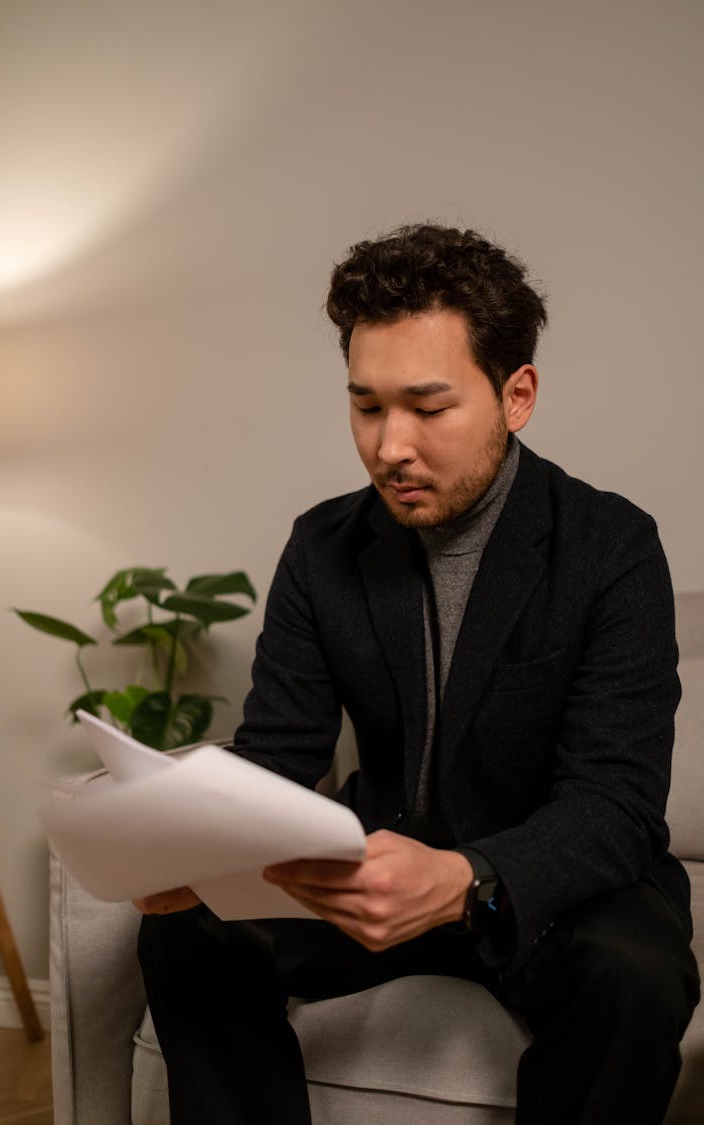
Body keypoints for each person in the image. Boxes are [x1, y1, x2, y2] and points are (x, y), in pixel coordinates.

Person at [136, 223, 700, 1124]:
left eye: (428, 408)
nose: (389, 444)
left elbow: (618, 803)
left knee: (636, 974)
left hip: (544, 886)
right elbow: (279, 752)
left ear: (516, 396)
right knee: (188, 931)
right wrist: (188, 840)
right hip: (372, 870)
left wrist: (471, 874)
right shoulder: (323, 545)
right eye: (367, 405)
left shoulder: (613, 546)